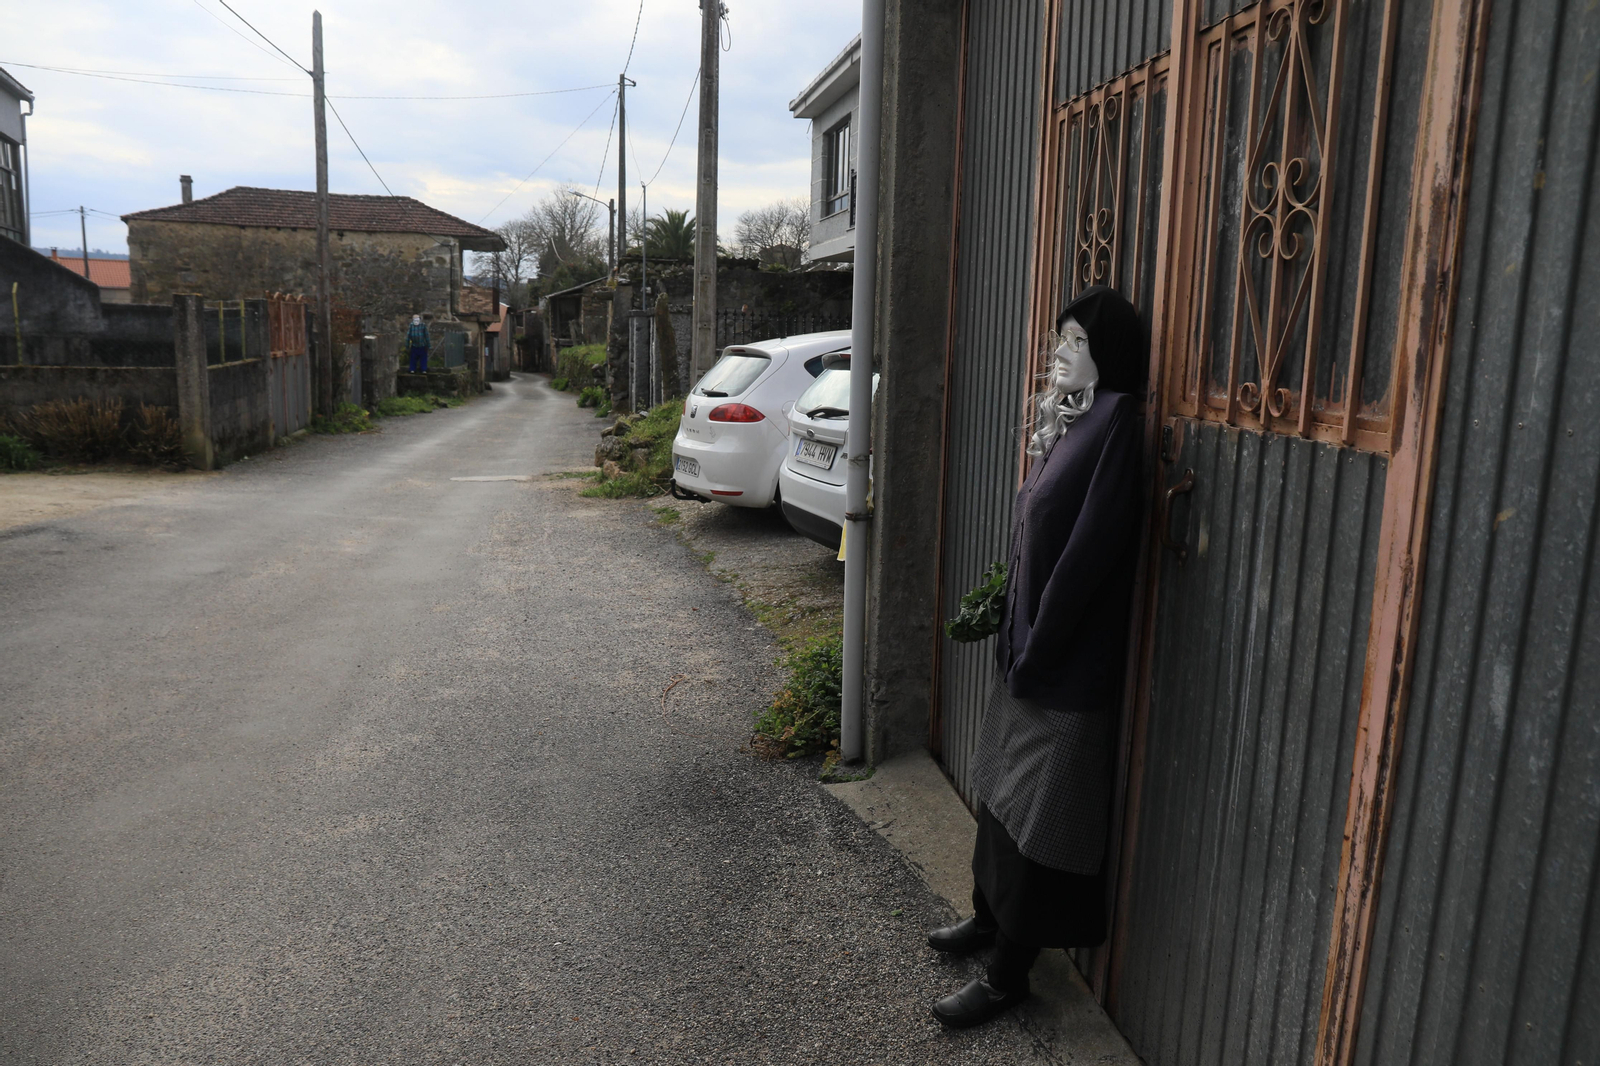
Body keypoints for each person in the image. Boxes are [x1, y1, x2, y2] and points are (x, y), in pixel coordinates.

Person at [928, 285, 1146, 1029]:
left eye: (1078, 342)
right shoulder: (1073, 418)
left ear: (1108, 354)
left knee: (1040, 819)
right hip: (1024, 651)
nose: (1061, 352)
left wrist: (1041, 643)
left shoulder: (1116, 421)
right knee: (999, 792)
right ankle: (987, 919)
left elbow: (1088, 553)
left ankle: (1007, 975)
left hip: (1061, 663)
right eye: (1061, 339)